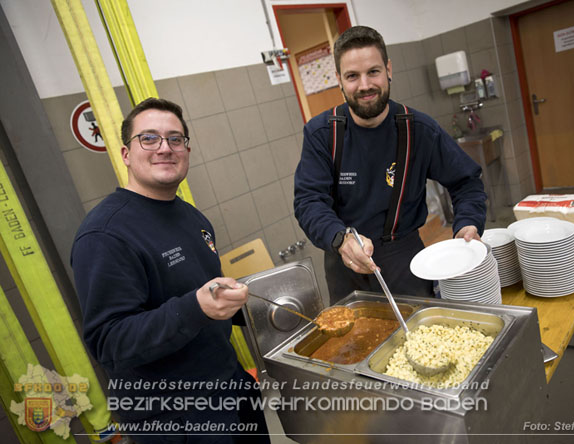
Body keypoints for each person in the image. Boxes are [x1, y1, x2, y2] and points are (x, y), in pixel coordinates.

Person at [71, 98, 269, 443]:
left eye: (175, 139)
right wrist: (195, 308)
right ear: (126, 154)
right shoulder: (105, 235)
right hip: (175, 418)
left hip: (229, 389)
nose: (165, 148)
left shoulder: (190, 216)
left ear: (187, 150)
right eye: (149, 138)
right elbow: (109, 342)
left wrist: (261, 306)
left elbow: (202, 294)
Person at [294, 26, 487, 304]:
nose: (364, 85)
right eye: (352, 76)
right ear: (339, 80)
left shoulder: (420, 129)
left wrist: (468, 223)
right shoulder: (321, 133)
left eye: (373, 71)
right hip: (344, 262)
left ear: (389, 70)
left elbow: (466, 182)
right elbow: (309, 201)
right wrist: (340, 239)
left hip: (405, 260)